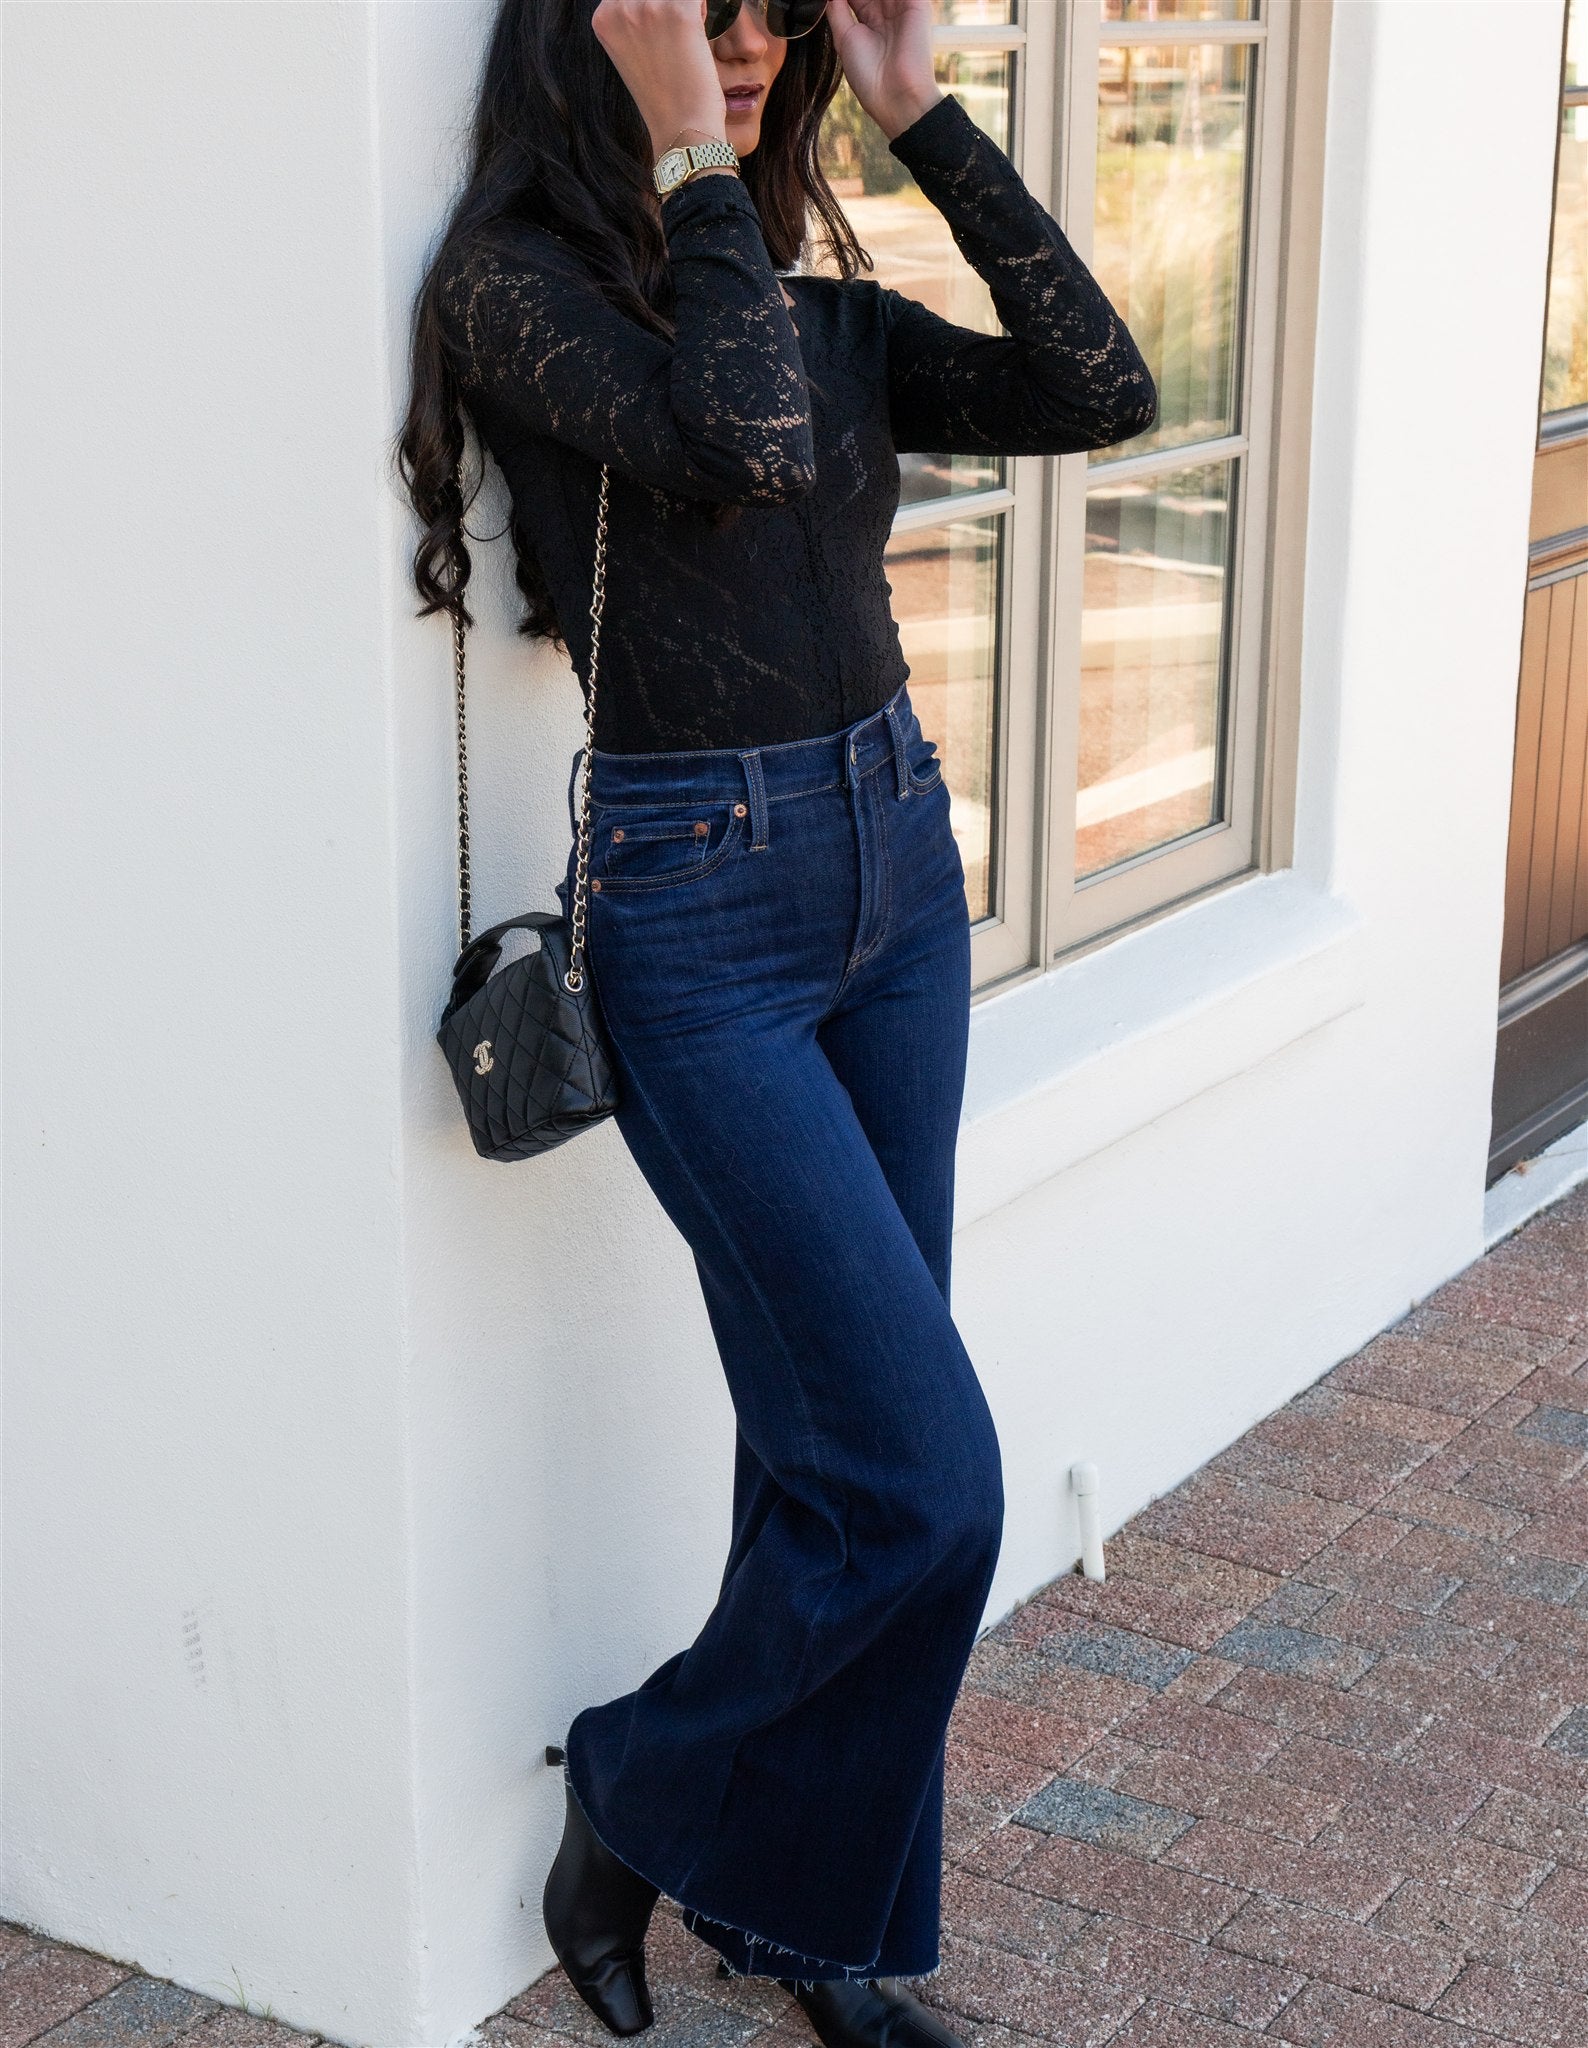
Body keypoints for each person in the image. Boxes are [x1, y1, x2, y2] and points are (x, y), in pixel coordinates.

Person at [398, 1, 1156, 2042]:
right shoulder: (512, 292)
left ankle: (821, 1932)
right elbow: (729, 442)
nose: (744, 44)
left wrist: (921, 115)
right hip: (698, 921)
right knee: (927, 1482)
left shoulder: (803, 294)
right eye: (701, 11)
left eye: (772, 14)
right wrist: (687, 160)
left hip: (894, 871)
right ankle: (637, 1787)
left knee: (829, 1457)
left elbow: (1100, 387)